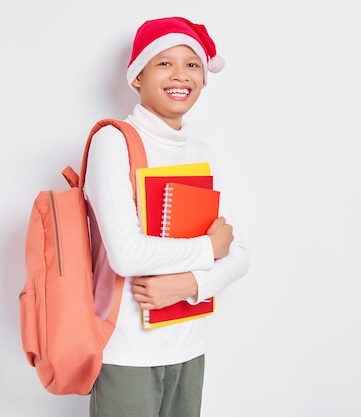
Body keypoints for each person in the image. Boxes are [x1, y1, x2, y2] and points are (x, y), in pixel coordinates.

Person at [83, 16, 250, 417]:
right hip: (128, 353)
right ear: (137, 76)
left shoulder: (200, 152)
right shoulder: (114, 141)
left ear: (205, 79)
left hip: (190, 349)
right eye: (164, 63)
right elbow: (127, 255)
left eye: (192, 64)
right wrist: (209, 248)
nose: (181, 75)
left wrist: (189, 285)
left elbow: (239, 254)